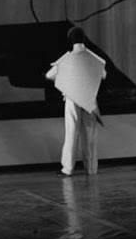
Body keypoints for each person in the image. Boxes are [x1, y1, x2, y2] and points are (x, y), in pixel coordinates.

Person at [45, 27, 106, 177]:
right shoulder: (93, 57)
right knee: (90, 134)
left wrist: (67, 80)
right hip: (89, 98)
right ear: (84, 39)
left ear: (70, 40)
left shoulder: (66, 58)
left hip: (72, 97)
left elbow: (49, 75)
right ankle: (91, 169)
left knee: (71, 133)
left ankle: (68, 168)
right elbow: (103, 74)